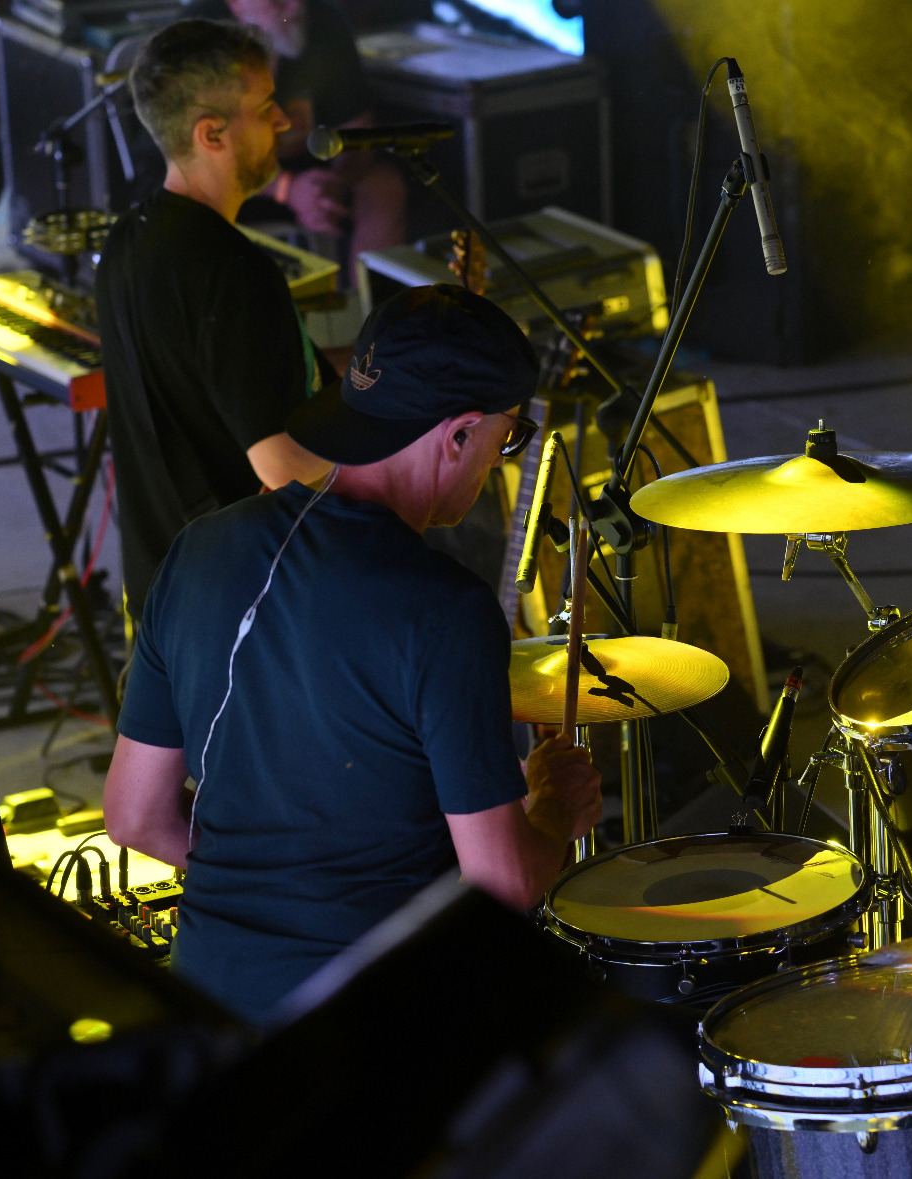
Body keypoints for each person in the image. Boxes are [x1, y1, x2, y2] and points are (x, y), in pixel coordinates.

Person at [103, 283, 602, 1025]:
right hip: (369, 1031)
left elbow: (134, 816)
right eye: (508, 440)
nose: (499, 463)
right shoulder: (444, 610)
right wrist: (556, 808)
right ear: (459, 434)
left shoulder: (199, 548)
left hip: (205, 1007)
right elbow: (501, 884)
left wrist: (263, 885)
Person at [98, 19, 333, 622]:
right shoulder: (233, 271)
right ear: (212, 133)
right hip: (239, 607)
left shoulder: (128, 240)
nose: (282, 121)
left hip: (160, 595)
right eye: (265, 106)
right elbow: (284, 467)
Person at [192, 0, 407, 260]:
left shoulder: (323, 20)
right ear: (236, 4)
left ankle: (368, 287)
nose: (295, 7)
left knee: (383, 187)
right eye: (277, 2)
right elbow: (201, 156)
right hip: (232, 180)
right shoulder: (197, 36)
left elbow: (356, 125)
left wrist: (332, 188)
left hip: (312, 173)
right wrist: (288, 189)